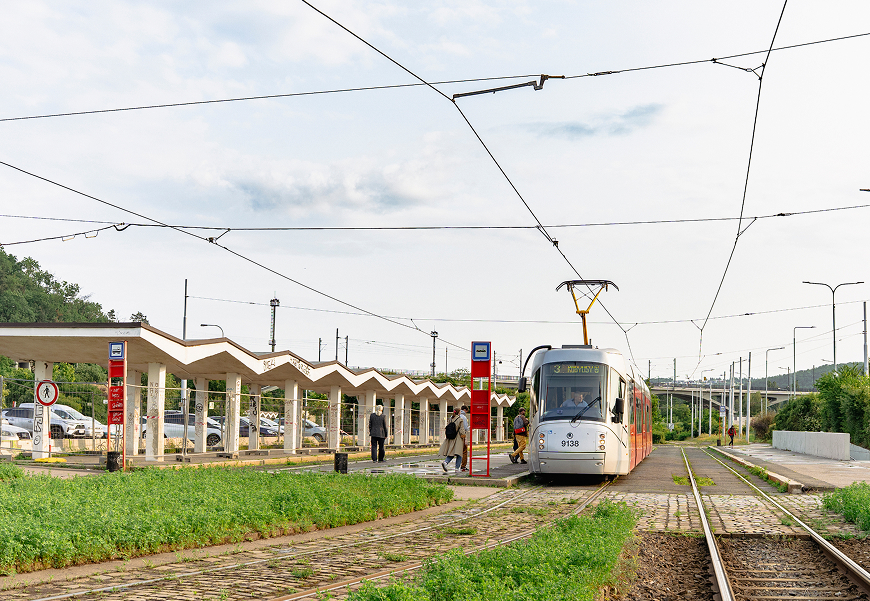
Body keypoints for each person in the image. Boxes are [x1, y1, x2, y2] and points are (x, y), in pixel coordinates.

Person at [459, 405, 470, 471]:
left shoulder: (453, 416)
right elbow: (465, 428)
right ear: (465, 410)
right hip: (462, 436)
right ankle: (463, 466)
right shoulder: (464, 417)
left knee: (455, 451)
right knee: (464, 451)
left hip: (454, 436)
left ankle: (446, 462)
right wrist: (469, 427)